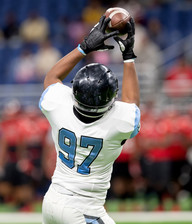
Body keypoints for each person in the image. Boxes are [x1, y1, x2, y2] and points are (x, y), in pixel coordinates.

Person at [39, 15, 140, 224]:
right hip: (83, 209)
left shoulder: (59, 105)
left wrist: (84, 47)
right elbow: (131, 104)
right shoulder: (118, 123)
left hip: (52, 199)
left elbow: (51, 78)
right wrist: (128, 56)